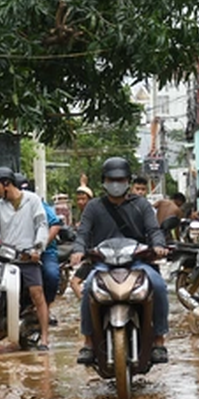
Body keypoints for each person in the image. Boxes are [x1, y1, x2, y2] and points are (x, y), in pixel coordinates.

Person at [69, 157, 170, 366]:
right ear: (104, 181)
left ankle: (159, 340)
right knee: (88, 288)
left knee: (159, 285)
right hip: (102, 264)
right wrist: (78, 250)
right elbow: (83, 233)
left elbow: (153, 230)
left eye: (121, 179)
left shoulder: (141, 205)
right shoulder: (93, 207)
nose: (116, 183)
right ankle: (88, 342)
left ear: (128, 181)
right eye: (111, 179)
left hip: (137, 262)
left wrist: (159, 246)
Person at [0, 167, 51, 350]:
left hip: (27, 258)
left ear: (7, 184)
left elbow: (42, 225)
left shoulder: (32, 200)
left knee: (37, 293)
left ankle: (45, 337)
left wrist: (38, 247)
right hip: (5, 257)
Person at [16, 173, 64, 318]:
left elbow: (55, 224)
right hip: (17, 251)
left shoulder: (40, 205)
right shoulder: (3, 204)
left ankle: (46, 309)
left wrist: (41, 246)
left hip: (45, 251)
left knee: (51, 274)